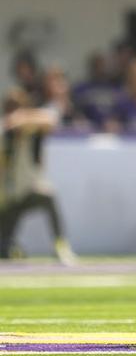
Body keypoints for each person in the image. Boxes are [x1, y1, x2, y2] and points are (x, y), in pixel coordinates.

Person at [0, 88, 77, 265]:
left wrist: (23, 117)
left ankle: (60, 244)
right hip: (6, 200)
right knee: (4, 250)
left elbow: (50, 119)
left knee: (48, 197)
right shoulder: (4, 134)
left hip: (26, 193)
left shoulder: (32, 134)